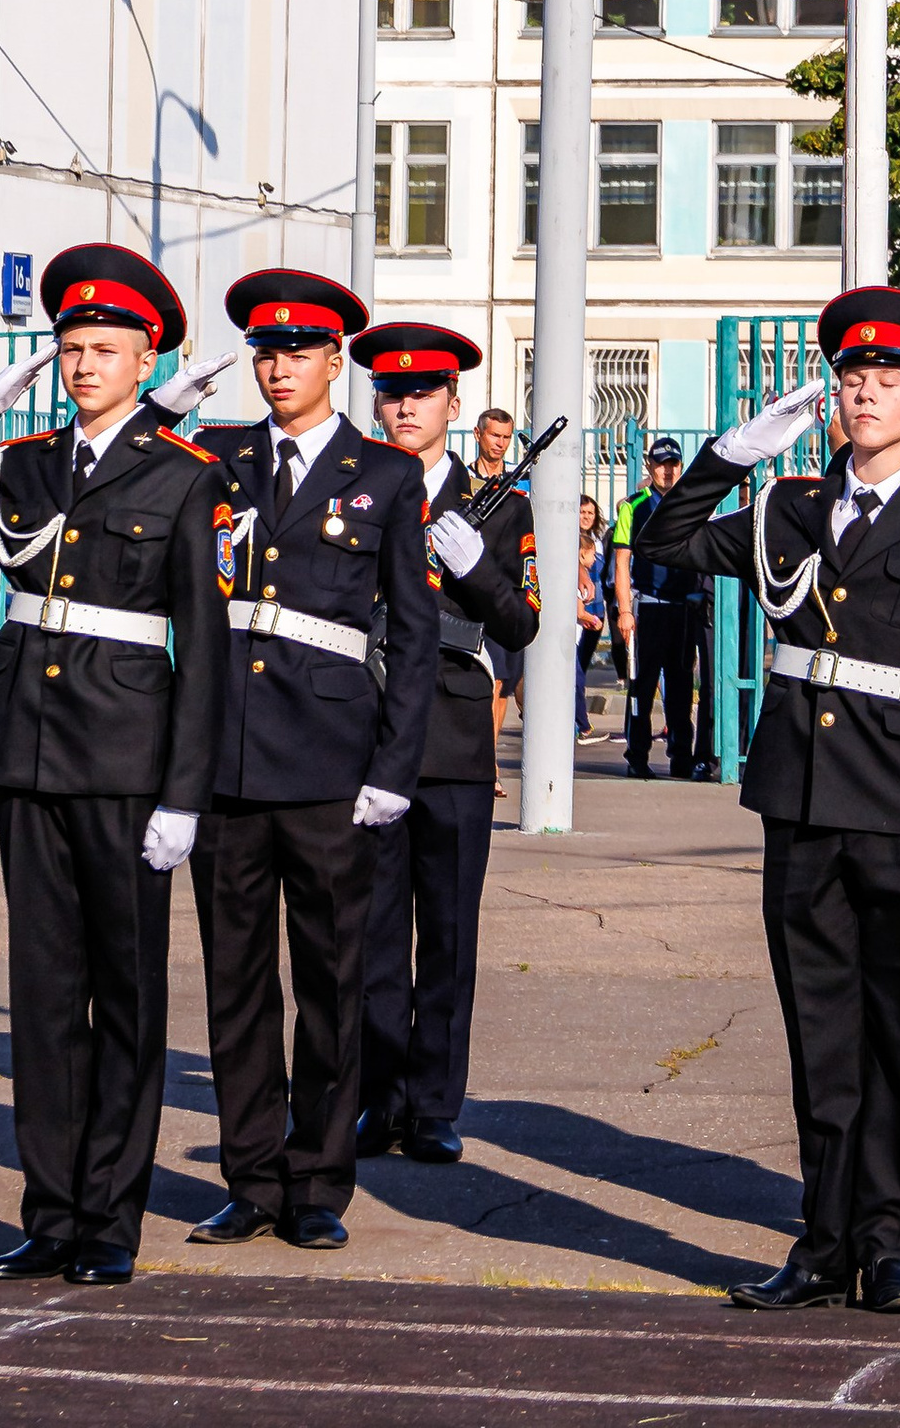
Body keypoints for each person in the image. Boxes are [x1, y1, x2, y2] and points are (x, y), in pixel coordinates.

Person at [639, 283, 900, 1317]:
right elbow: (664, 545)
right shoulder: (786, 508)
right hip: (802, 797)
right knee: (818, 1031)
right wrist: (725, 458)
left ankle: (892, 1241)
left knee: (892, 1030)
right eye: (852, 376)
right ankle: (821, 1237)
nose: (865, 392)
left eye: (889, 378)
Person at [0, 242, 223, 1284]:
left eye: (103, 348)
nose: (81, 364)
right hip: (28, 745)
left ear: (144, 357)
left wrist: (185, 792)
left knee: (124, 994)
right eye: (69, 347)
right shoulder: (24, 463)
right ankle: (50, 1210)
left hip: (126, 756)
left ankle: (109, 1218)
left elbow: (203, 645)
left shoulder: (182, 473)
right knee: (43, 990)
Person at [183, 268, 437, 1247]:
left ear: (337, 359)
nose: (278, 363)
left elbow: (413, 635)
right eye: (265, 348)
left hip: (332, 762)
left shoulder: (384, 474)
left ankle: (318, 1182)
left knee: (330, 979)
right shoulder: (216, 455)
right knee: (237, 979)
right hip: (226, 758)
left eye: (298, 349)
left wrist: (393, 766)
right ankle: (251, 1177)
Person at [347, 319, 540, 1162]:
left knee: (448, 932)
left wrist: (475, 567)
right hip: (365, 723)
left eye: (422, 391)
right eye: (390, 391)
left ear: (453, 403)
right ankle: (378, 1100)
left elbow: (522, 623)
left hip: (454, 732)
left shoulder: (500, 507)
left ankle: (434, 1105)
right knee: (372, 931)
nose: (403, 406)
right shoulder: (350, 489)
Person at [617, 435, 709, 777]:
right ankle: (637, 757)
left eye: (673, 464)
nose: (667, 472)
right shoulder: (634, 506)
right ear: (650, 467)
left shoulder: (689, 504)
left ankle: (681, 758)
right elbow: (622, 560)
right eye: (661, 465)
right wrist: (625, 610)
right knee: (642, 686)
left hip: (684, 608)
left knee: (682, 687)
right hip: (648, 607)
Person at [472, 407, 525, 732]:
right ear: (478, 434)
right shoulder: (462, 480)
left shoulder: (519, 484)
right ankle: (485, 766)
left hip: (508, 591)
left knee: (505, 683)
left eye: (506, 438)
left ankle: (489, 761)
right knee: (489, 680)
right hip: (471, 591)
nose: (500, 443)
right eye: (495, 435)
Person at [576, 495, 608, 734]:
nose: (586, 517)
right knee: (573, 669)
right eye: (582, 512)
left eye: (590, 513)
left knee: (582, 666)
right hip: (578, 613)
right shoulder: (571, 540)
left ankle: (577, 717)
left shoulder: (600, 541)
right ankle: (579, 721)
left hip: (597, 612)